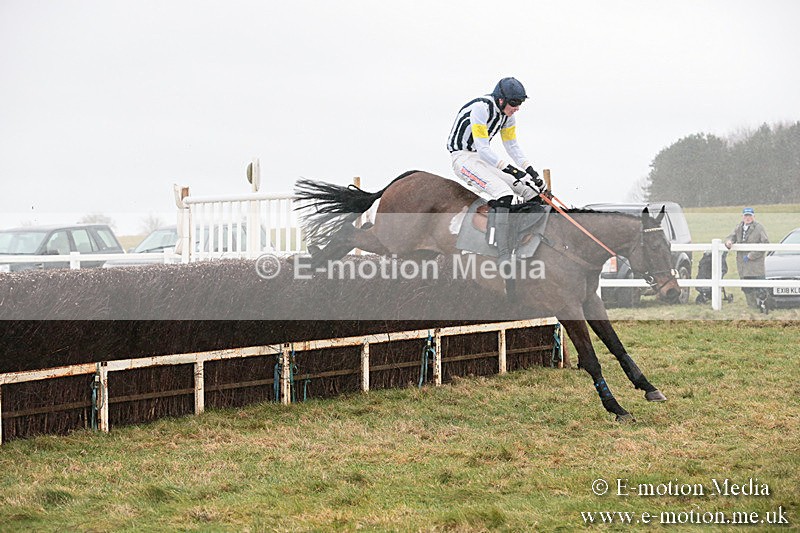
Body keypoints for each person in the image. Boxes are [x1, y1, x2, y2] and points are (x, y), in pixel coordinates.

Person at [447, 77, 543, 266]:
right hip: (463, 158)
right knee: (504, 193)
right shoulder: (481, 109)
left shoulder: (509, 116)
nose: (517, 108)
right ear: (501, 100)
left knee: (531, 190)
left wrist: (530, 172)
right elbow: (483, 148)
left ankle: (525, 240)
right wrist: (513, 171)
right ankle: (503, 253)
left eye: (520, 103)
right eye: (514, 103)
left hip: (481, 159)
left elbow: (512, 146)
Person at [725, 207, 770, 309]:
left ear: (754, 216)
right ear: (742, 217)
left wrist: (751, 255)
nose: (748, 218)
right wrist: (729, 242)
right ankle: (752, 307)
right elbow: (731, 236)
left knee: (759, 287)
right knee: (746, 287)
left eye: (750, 216)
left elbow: (765, 244)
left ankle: (763, 306)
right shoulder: (739, 227)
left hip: (756, 265)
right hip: (743, 265)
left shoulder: (759, 228)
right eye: (746, 216)